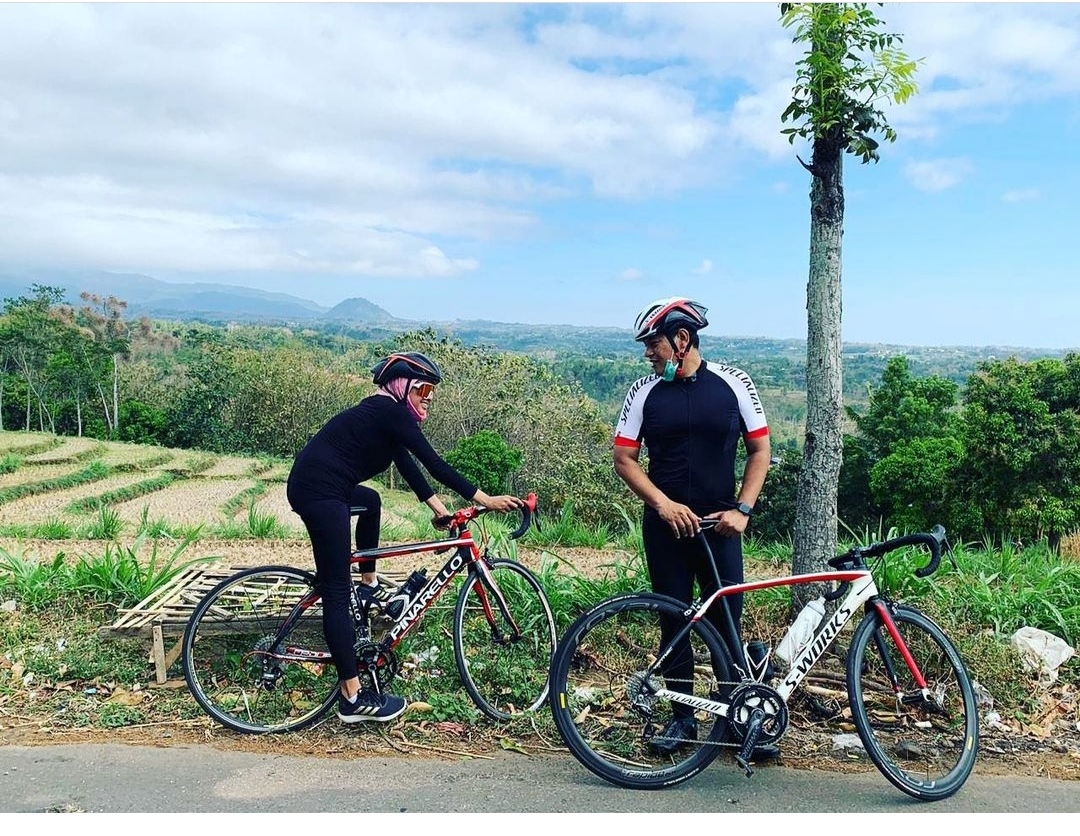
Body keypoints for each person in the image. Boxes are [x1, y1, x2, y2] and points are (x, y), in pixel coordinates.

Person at [287, 351, 523, 723]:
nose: (429, 396)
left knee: (371, 500)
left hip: (325, 486)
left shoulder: (387, 417)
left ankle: (367, 583)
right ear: (402, 386)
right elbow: (436, 464)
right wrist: (485, 499)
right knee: (334, 591)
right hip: (319, 492)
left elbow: (410, 467)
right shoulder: (389, 412)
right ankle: (351, 698)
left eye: (432, 390)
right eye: (424, 388)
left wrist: (439, 510)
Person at [612, 297, 773, 756]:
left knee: (726, 620)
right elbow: (624, 459)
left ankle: (733, 716)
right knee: (675, 619)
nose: (648, 352)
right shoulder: (643, 392)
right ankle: (682, 717)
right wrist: (662, 504)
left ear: (681, 341)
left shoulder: (733, 384)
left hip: (720, 525)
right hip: (666, 527)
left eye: (654, 343)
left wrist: (743, 509)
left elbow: (760, 451)